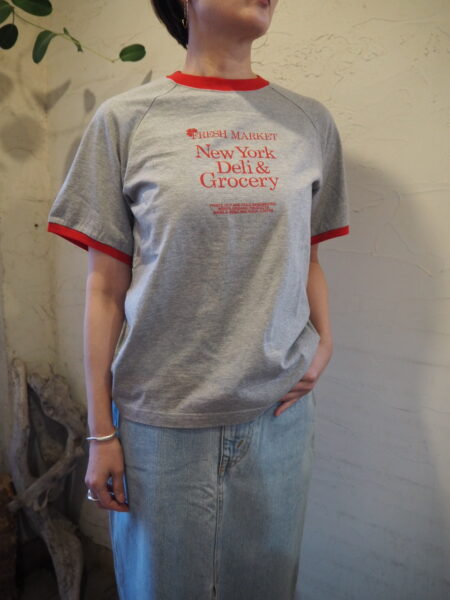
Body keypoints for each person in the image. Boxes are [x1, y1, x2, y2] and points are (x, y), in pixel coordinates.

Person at [47, 0, 350, 598]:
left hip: (277, 418)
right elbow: (104, 289)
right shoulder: (126, 120)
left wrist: (326, 341)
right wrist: (101, 433)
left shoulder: (308, 122)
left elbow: (307, 256)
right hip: (161, 426)